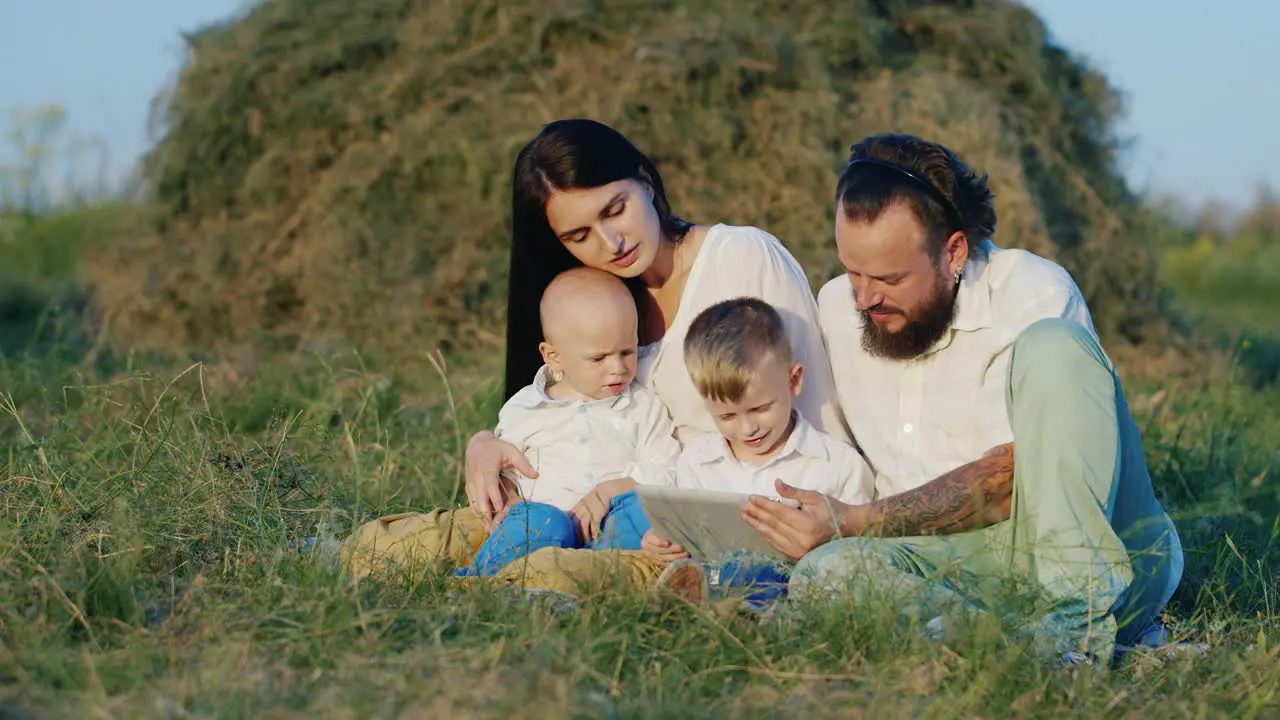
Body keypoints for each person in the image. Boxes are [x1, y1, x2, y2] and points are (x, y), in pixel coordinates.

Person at [739, 133, 1184, 664]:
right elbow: (835, 457)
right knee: (825, 576)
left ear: (953, 251)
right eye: (852, 271)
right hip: (948, 559)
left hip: (1079, 546)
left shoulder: (1035, 293)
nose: (864, 297)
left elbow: (1013, 482)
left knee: (1055, 347)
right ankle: (1024, 655)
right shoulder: (837, 306)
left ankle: (1077, 630)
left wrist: (858, 521)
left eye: (889, 278)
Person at [338, 118, 850, 579]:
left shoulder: (741, 258)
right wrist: (483, 442)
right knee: (413, 542)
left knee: (557, 567)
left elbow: (810, 415)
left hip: (686, 518)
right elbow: (559, 405)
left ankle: (494, 585)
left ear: (646, 183)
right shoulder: (595, 295)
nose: (611, 243)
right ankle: (356, 554)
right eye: (580, 234)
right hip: (568, 505)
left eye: (616, 209)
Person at [468, 296, 877, 606]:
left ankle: (737, 612)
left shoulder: (835, 465)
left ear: (794, 381)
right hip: (705, 573)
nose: (748, 427)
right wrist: (662, 544)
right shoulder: (698, 461)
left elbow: (858, 543)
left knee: (757, 571)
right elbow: (676, 528)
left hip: (792, 581)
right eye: (727, 415)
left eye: (761, 408)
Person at [448, 267, 682, 577]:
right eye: (598, 358)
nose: (617, 368)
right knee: (535, 522)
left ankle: (602, 574)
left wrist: (615, 489)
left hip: (610, 524)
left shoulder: (643, 405)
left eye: (627, 352)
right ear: (553, 356)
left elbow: (667, 470)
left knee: (641, 512)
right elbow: (505, 472)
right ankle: (484, 582)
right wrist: (511, 498)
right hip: (547, 524)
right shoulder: (525, 408)